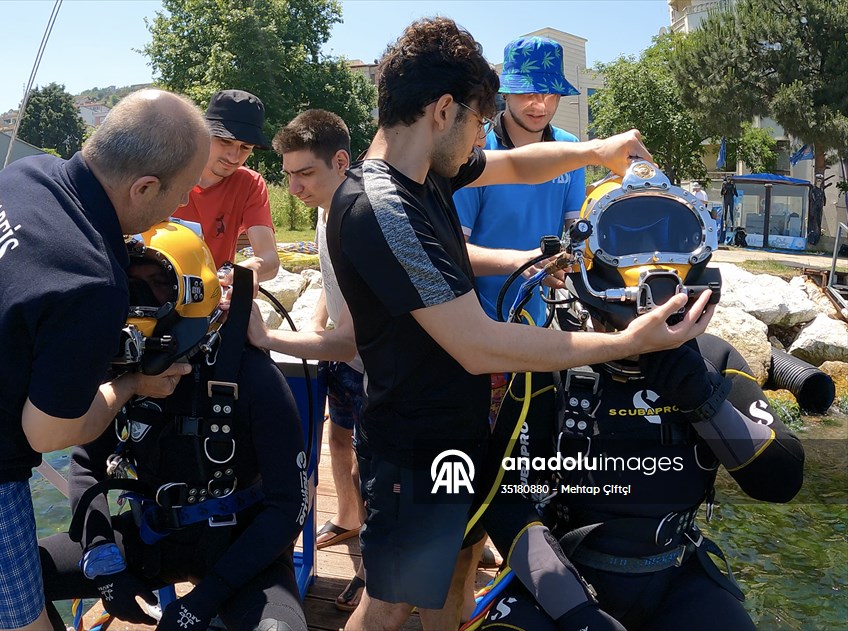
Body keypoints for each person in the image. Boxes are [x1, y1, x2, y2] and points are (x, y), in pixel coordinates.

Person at [326, 17, 715, 631]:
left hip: (448, 427)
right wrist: (623, 341)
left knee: (451, 568)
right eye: (480, 121)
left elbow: (519, 166)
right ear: (443, 109)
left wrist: (595, 150)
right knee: (392, 600)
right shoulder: (383, 208)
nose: (483, 137)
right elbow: (477, 345)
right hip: (411, 442)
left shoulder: (424, 170)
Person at [0, 88, 209, 631]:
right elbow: (50, 434)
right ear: (145, 187)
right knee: (19, 621)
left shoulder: (24, 176)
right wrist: (131, 385)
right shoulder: (89, 282)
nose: (179, 207)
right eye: (178, 195)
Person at [471, 166, 804, 631]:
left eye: (669, 236)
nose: (651, 262)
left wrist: (703, 398)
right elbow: (506, 500)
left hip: (675, 575)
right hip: (568, 576)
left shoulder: (713, 358)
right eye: (628, 236)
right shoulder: (551, 362)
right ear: (586, 264)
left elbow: (782, 479)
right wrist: (579, 613)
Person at [39, 223, 308, 631]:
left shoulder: (251, 377)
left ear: (193, 294)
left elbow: (289, 507)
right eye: (132, 288)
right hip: (152, 539)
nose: (141, 303)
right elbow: (84, 463)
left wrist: (204, 599)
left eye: (158, 286)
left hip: (240, 548)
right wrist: (102, 558)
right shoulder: (120, 376)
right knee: (14, 577)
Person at [257, 109, 367, 611]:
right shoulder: (327, 206)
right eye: (288, 175)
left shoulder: (359, 216)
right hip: (344, 364)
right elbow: (328, 277)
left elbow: (348, 342)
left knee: (372, 466)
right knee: (338, 440)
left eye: (305, 174)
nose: (295, 187)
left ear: (341, 162)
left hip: (375, 369)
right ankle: (347, 518)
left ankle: (370, 570)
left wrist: (270, 338)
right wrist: (314, 322)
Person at [453, 35, 585, 327]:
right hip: (475, 321)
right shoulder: (474, 148)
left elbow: (580, 239)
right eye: (528, 92)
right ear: (506, 93)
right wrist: (522, 262)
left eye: (551, 93)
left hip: (537, 321)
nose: (540, 104)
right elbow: (451, 251)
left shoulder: (571, 148)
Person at [174, 89, 280, 285]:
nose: (234, 157)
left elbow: (269, 259)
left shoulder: (249, 183)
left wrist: (248, 271)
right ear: (202, 134)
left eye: (245, 148)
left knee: (252, 315)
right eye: (225, 141)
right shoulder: (168, 171)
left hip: (214, 296)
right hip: (152, 292)